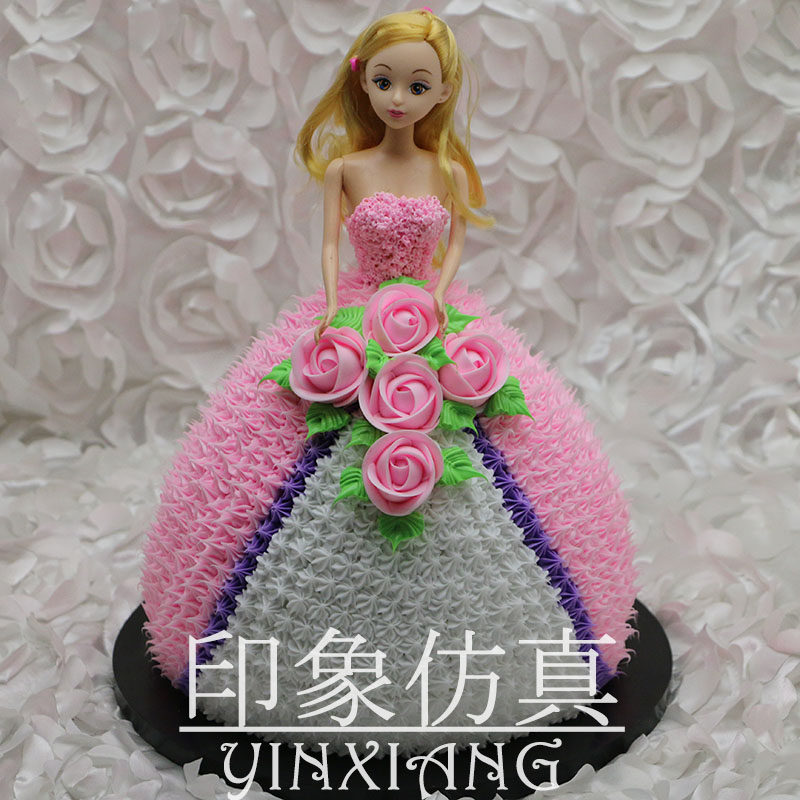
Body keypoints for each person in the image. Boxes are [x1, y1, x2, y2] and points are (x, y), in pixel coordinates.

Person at [140, 9, 636, 754]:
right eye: (384, 81)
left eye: (416, 85)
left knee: (529, 465)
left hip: (435, 316)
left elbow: (455, 242)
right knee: (266, 456)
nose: (398, 98)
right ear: (361, 82)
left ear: (443, 92)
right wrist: (332, 311)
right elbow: (330, 249)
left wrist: (434, 298)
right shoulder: (347, 168)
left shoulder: (446, 171)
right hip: (348, 321)